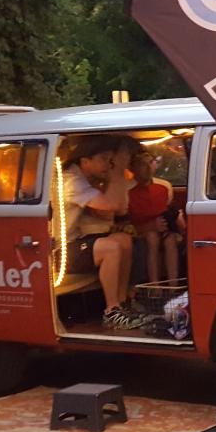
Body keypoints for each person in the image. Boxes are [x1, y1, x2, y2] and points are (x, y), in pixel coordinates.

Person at [61, 134, 142, 329]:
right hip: (59, 251)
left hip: (76, 241)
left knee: (123, 240)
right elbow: (112, 204)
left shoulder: (87, 179)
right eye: (104, 159)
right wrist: (118, 170)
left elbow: (120, 209)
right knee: (111, 247)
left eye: (110, 159)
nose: (109, 164)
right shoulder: (72, 181)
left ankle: (122, 304)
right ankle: (111, 310)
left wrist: (117, 174)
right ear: (85, 160)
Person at [127, 150, 184, 284]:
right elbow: (128, 219)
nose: (146, 168)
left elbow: (168, 209)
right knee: (152, 238)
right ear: (133, 168)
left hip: (163, 227)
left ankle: (173, 285)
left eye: (150, 163)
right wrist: (149, 225)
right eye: (142, 165)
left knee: (170, 240)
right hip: (141, 230)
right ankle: (154, 284)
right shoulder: (128, 190)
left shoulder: (163, 187)